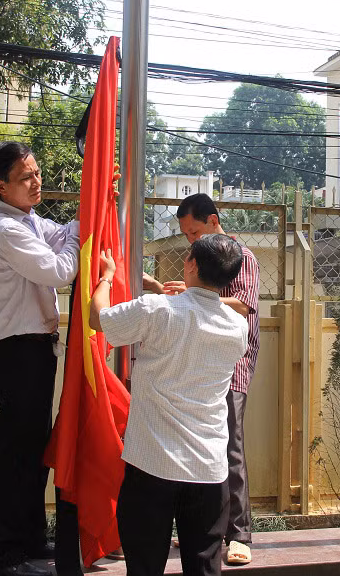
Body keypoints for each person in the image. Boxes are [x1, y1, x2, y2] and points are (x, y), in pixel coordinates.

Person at [92, 234, 249, 576]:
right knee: (203, 567)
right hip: (208, 468)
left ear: (191, 264)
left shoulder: (157, 309)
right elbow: (203, 313)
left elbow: (98, 318)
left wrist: (106, 275)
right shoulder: (237, 326)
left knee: (145, 566)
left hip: (152, 463)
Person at [0, 141, 80, 576]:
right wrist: (77, 236)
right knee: (15, 455)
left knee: (33, 452)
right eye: (26, 177)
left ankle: (31, 539)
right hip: (18, 352)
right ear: (1, 186)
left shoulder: (27, 219)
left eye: (37, 173)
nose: (37, 182)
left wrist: (86, 215)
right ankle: (1, 551)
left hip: (34, 349)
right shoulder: (6, 229)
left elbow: (61, 233)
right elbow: (60, 270)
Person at [143, 193, 260, 566]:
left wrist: (194, 294)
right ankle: (204, 528)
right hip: (201, 365)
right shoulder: (205, 259)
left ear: (213, 221)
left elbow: (243, 304)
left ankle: (239, 534)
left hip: (230, 366)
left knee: (231, 449)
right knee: (199, 449)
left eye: (194, 232)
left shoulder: (242, 256)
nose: (190, 240)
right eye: (186, 235)